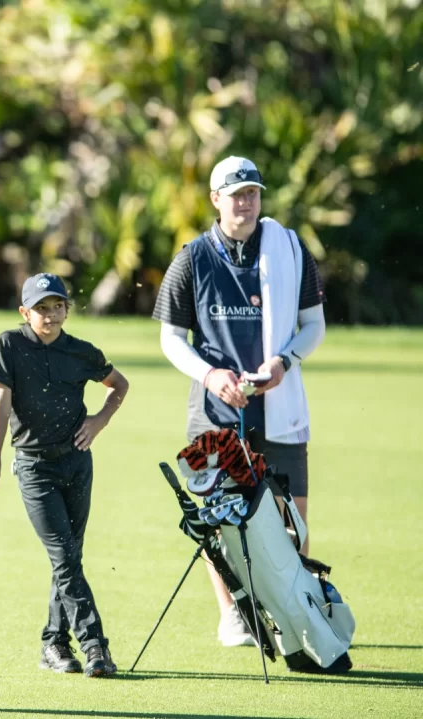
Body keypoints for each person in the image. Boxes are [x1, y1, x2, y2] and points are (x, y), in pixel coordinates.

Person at [151, 155, 327, 647]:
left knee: (291, 516)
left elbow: (314, 326)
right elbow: (171, 338)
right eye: (236, 194)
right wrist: (209, 375)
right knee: (219, 518)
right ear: (215, 199)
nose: (246, 202)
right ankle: (232, 613)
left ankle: (296, 608)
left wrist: (284, 361)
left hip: (280, 403)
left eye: (253, 193)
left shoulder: (292, 250)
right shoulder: (190, 257)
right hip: (214, 408)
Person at [0, 273, 130, 677]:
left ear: (66, 309)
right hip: (34, 466)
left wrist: (99, 421)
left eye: (57, 306)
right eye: (41, 308)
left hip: (77, 463)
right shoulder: (9, 345)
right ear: (25, 312)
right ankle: (95, 646)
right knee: (64, 557)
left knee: (69, 559)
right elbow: (0, 406)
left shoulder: (81, 352)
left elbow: (119, 385)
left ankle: (54, 645)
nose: (50, 314)